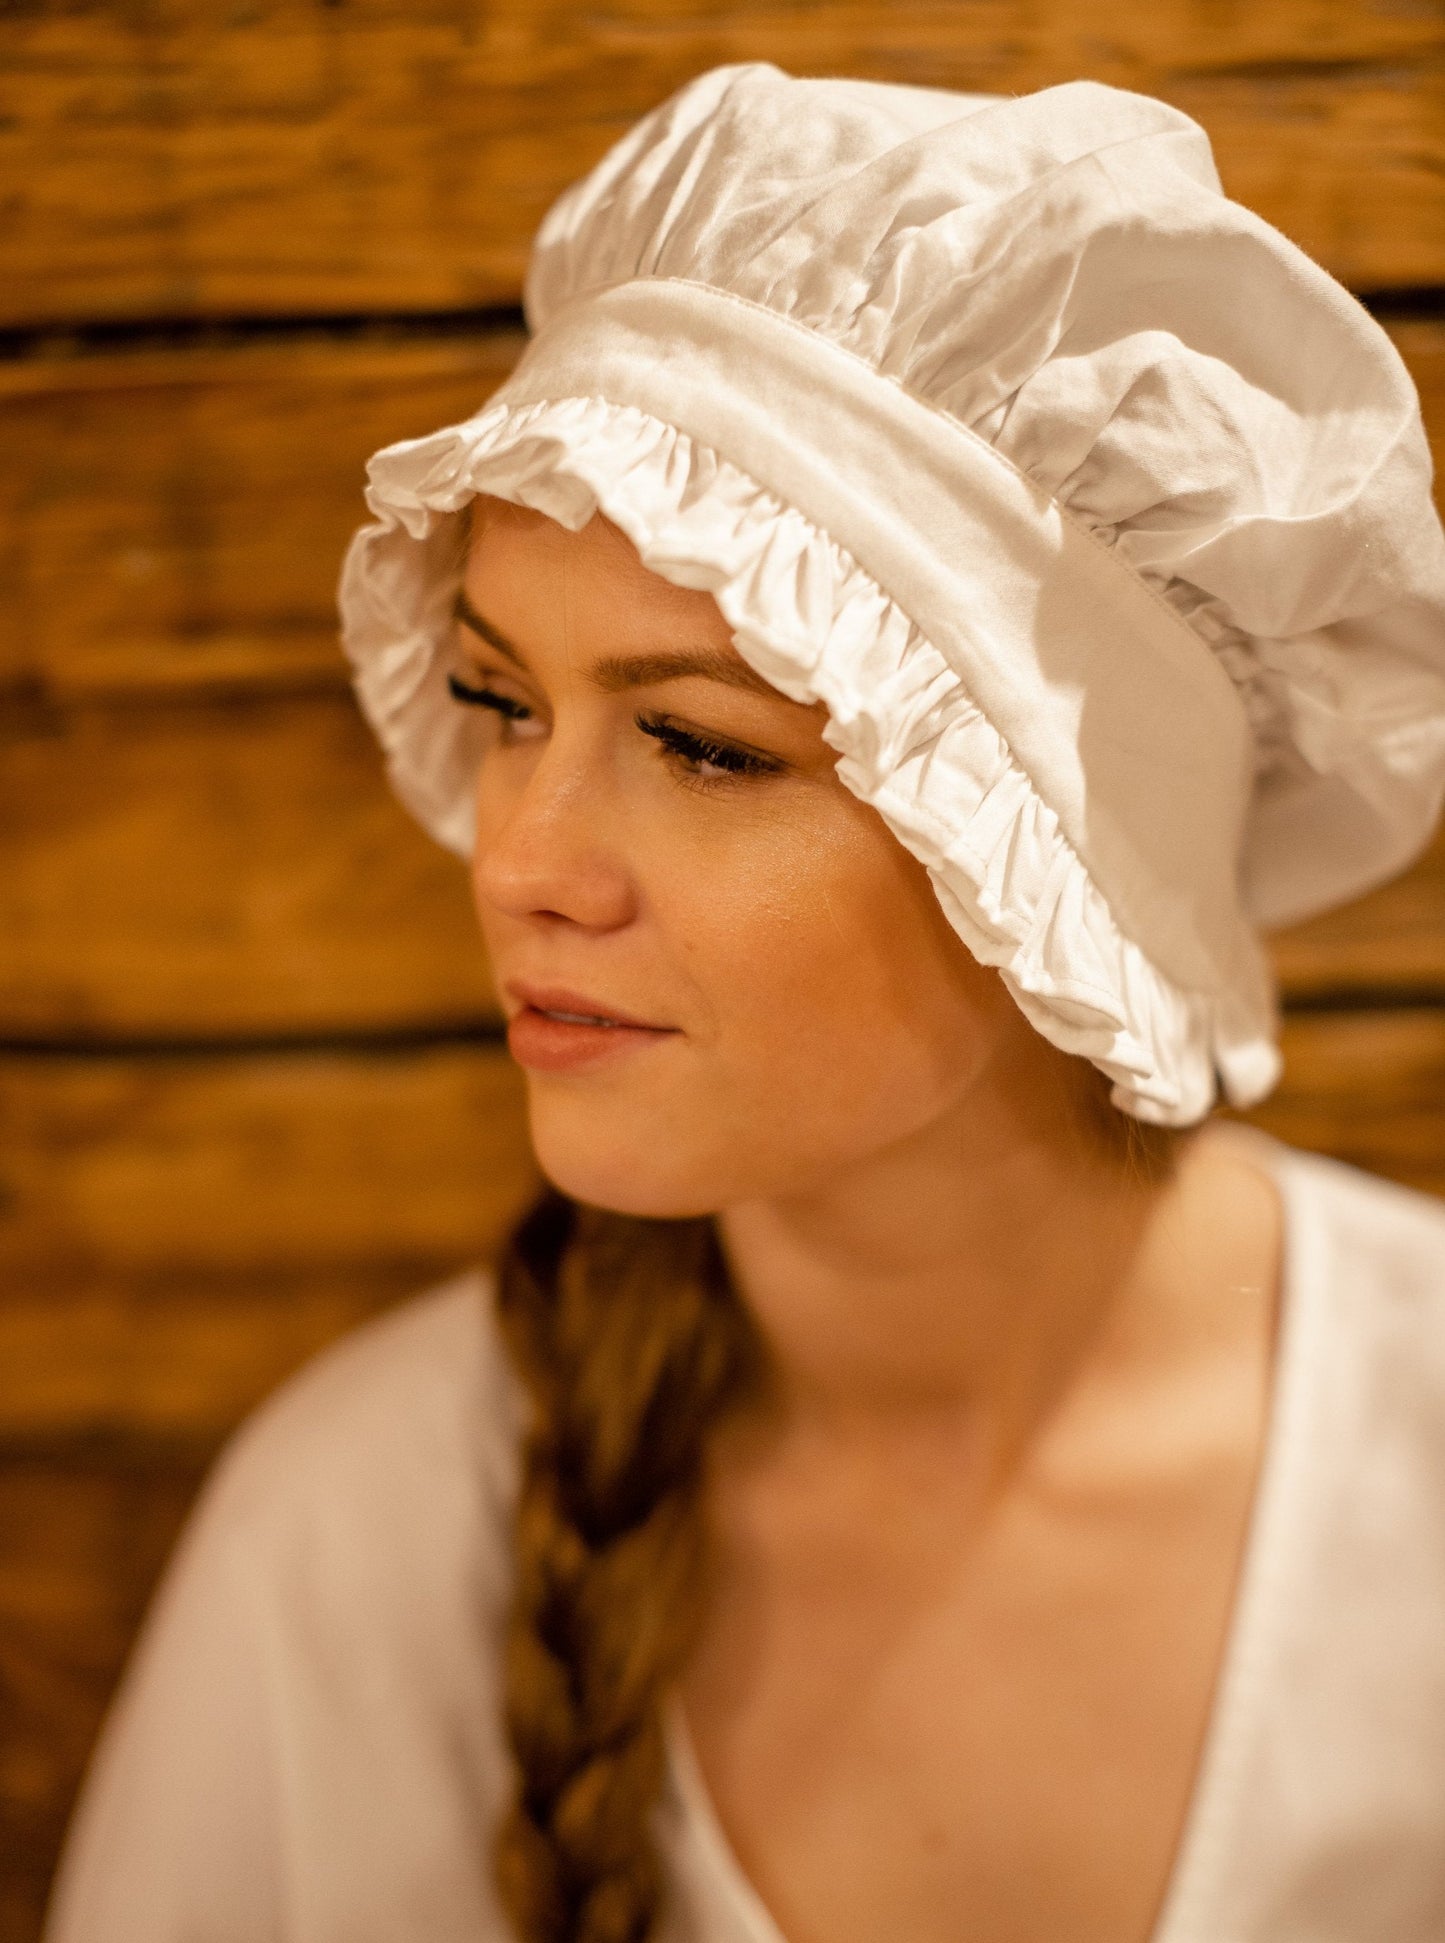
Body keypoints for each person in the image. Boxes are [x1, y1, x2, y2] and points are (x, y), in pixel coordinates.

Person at [45, 63, 1445, 1943]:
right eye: (503, 705)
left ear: (1064, 854)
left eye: (703, 747)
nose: (519, 861)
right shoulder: (352, 1549)